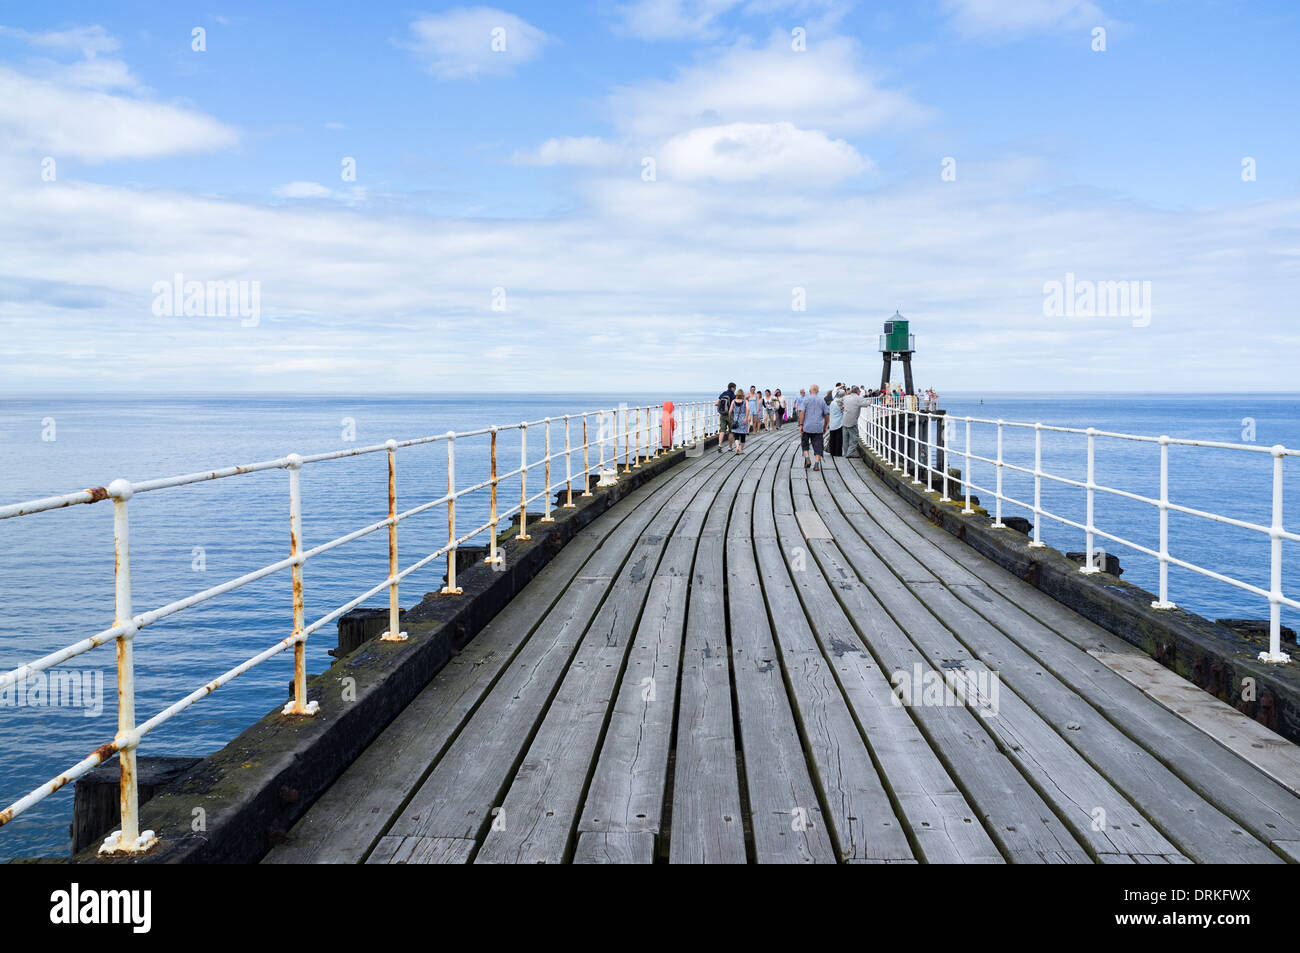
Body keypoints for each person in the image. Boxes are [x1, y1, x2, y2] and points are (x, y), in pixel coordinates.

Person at [799, 383, 828, 470]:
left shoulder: (806, 400)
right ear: (818, 392)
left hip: (807, 426)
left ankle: (807, 459)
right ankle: (816, 464)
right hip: (818, 427)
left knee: (805, 443)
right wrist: (825, 426)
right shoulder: (822, 401)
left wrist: (801, 425)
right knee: (818, 445)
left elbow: (802, 413)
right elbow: (827, 414)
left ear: (809, 391)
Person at [840, 386, 864, 458]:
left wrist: (843, 408)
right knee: (855, 438)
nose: (860, 393)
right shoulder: (858, 398)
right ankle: (849, 454)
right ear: (857, 392)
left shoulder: (846, 397)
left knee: (845, 439)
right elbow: (865, 404)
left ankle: (845, 452)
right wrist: (869, 402)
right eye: (859, 391)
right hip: (852, 421)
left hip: (844, 420)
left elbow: (838, 401)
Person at [716, 382, 736, 453]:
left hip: (722, 414)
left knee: (722, 430)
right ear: (732, 387)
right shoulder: (733, 395)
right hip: (730, 415)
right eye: (735, 388)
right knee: (731, 431)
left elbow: (716, 403)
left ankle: (719, 445)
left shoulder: (723, 393)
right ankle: (730, 447)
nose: (735, 390)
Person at [730, 388, 749, 454]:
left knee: (736, 435)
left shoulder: (733, 401)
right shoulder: (745, 401)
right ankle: (742, 450)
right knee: (743, 435)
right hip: (743, 419)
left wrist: (730, 418)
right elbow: (748, 409)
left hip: (736, 420)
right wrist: (746, 418)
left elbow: (730, 411)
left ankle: (737, 447)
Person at [827, 387, 844, 457]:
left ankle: (832, 452)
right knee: (838, 439)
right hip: (839, 422)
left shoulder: (832, 402)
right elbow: (843, 411)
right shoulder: (840, 402)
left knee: (832, 438)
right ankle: (838, 453)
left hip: (832, 422)